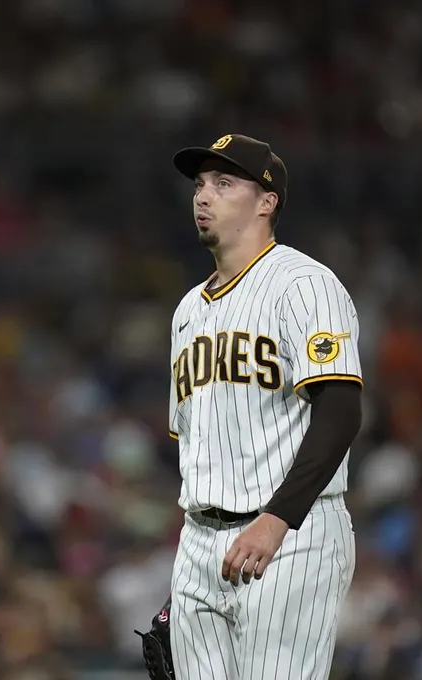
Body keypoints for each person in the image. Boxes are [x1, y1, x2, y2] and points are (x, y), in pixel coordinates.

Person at [167, 134, 363, 679]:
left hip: (289, 535)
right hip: (200, 542)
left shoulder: (304, 285)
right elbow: (193, 443)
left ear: (266, 201)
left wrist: (277, 519)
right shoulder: (187, 312)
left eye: (224, 184)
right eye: (201, 185)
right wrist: (193, 556)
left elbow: (341, 410)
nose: (203, 196)